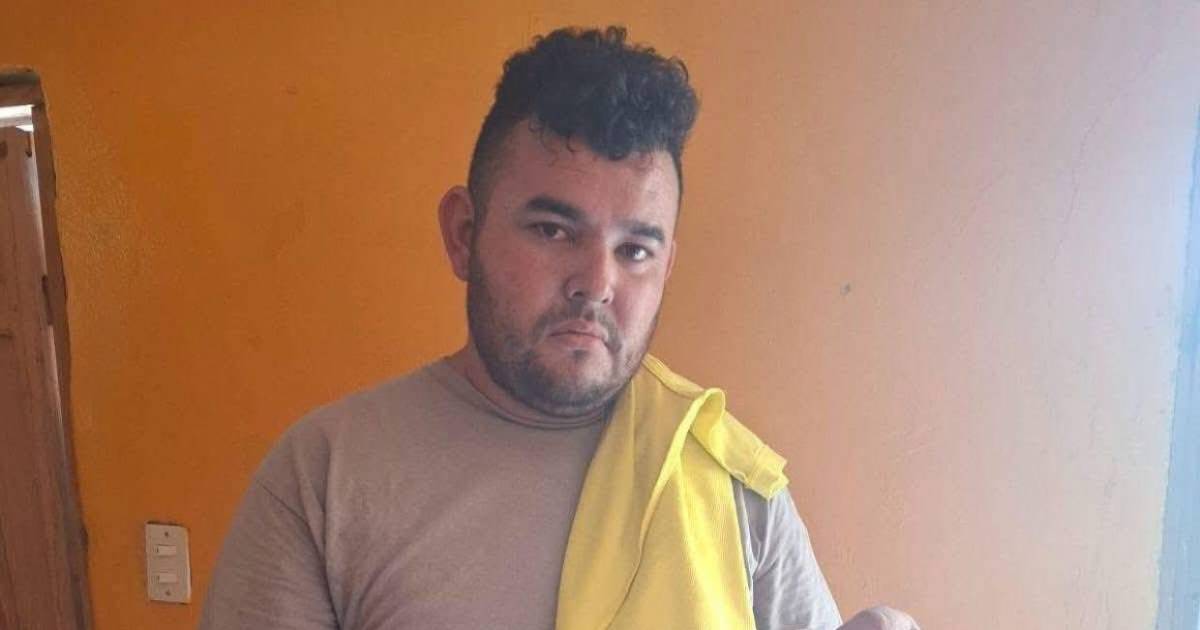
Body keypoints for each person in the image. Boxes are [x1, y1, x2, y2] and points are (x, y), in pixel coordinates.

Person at [199, 26, 918, 630]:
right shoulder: (327, 477)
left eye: (635, 250)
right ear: (463, 233)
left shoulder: (731, 484)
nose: (596, 282)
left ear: (666, 266)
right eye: (552, 229)